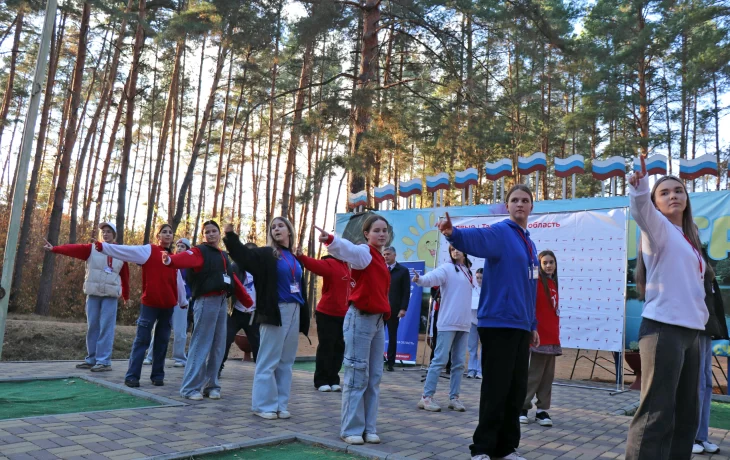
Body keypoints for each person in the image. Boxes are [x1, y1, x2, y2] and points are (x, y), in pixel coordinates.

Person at [440, 184, 539, 460]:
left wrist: (533, 324)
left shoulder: (529, 242)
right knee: (496, 388)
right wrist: (453, 233)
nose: (520, 204)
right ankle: (482, 448)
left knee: (516, 389)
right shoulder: (501, 232)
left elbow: (530, 289)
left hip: (521, 326)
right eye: (515, 200)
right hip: (498, 323)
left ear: (532, 206)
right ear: (507, 206)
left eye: (525, 200)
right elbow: (477, 239)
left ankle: (507, 448)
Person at [625, 156, 708, 460]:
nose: (673, 195)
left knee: (687, 415)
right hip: (663, 331)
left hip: (692, 333)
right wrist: (639, 187)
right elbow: (640, 209)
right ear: (656, 204)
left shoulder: (689, 239)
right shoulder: (657, 230)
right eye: (665, 192)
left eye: (679, 191)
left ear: (686, 199)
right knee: (656, 414)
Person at [314, 216, 391, 446]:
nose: (381, 234)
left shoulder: (381, 258)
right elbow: (348, 250)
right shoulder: (364, 253)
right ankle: (351, 429)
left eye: (384, 230)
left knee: (375, 376)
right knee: (357, 375)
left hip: (378, 322)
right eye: (376, 230)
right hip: (360, 319)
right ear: (366, 234)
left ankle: (369, 427)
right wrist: (330, 239)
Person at [223, 218, 310, 420]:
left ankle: (280, 404)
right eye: (273, 227)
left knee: (286, 361)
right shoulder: (266, 254)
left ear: (290, 230)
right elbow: (243, 256)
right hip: (274, 311)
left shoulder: (294, 258)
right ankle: (263, 405)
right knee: (268, 360)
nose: (276, 229)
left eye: (281, 225)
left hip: (295, 310)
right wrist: (230, 236)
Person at [163, 220, 253, 400]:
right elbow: (184, 258)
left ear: (219, 234)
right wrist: (170, 259)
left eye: (214, 231)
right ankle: (189, 388)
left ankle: (212, 386)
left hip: (221, 303)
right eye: (207, 232)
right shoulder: (199, 251)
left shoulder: (224, 256)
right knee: (200, 344)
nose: (211, 234)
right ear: (203, 235)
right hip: (205, 301)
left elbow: (232, 280)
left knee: (218, 346)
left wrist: (247, 301)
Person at [96, 224, 188, 388]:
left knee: (162, 342)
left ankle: (158, 376)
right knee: (142, 340)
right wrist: (103, 247)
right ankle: (132, 376)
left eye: (170, 232)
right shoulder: (149, 251)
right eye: (164, 232)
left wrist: (182, 301)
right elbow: (126, 251)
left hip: (168, 307)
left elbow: (178, 281)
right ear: (158, 235)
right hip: (150, 305)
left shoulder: (173, 258)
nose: (168, 235)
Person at [44, 222, 129, 372]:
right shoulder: (92, 249)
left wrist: (126, 296)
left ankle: (104, 361)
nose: (106, 234)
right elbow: (73, 249)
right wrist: (55, 249)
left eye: (109, 231)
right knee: (93, 327)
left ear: (114, 234)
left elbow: (125, 275)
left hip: (110, 296)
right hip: (93, 294)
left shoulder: (121, 252)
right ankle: (91, 359)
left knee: (106, 328)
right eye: (103, 232)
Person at [413, 245, 473, 413]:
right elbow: (433, 278)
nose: (455, 251)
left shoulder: (467, 270)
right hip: (448, 322)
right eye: (452, 249)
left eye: (458, 248)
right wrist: (420, 279)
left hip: (464, 323)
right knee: (439, 360)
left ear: (464, 250)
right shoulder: (447, 268)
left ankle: (454, 398)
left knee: (459, 363)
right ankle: (426, 397)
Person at [295, 249, 350, 392]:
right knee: (327, 346)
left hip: (343, 314)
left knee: (339, 347)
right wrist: (301, 256)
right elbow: (314, 265)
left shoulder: (348, 265)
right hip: (327, 313)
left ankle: (333, 379)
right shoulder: (330, 262)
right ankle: (321, 380)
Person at [520, 250, 561, 427]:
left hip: (552, 336)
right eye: (545, 262)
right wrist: (532, 329)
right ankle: (522, 408)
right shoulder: (535, 283)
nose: (549, 265)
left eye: (551, 262)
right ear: (539, 265)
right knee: (534, 375)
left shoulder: (553, 283)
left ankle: (542, 410)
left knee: (547, 376)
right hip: (538, 335)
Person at [693, 246, 727, 454]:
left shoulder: (701, 256)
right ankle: (690, 437)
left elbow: (712, 300)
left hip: (706, 328)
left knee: (705, 382)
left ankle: (701, 436)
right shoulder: (684, 253)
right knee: (695, 383)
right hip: (690, 327)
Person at [143, 238, 192, 368]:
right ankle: (151, 356)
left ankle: (180, 358)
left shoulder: (190, 265)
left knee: (180, 330)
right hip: (168, 298)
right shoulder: (169, 261)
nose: (180, 248)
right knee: (157, 328)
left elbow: (192, 283)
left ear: (188, 249)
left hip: (183, 300)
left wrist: (188, 297)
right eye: (178, 246)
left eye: (183, 246)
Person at [220, 246, 261, 377]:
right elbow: (229, 284)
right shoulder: (235, 267)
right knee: (226, 339)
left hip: (253, 314)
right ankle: (217, 369)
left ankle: (262, 373)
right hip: (236, 312)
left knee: (258, 343)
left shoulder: (261, 270)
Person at [383, 246, 411, 372]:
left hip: (394, 309)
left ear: (395, 255)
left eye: (388, 254)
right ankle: (377, 360)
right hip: (379, 308)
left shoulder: (403, 271)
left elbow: (406, 291)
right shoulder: (381, 268)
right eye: (384, 254)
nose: (386, 256)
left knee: (392, 336)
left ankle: (390, 363)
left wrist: (403, 308)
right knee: (375, 336)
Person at [466, 268, 483, 379]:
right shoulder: (472, 290)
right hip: (472, 321)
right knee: (472, 347)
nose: (479, 280)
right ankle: (471, 369)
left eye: (481, 278)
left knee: (483, 347)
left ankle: (480, 370)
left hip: (483, 322)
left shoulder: (489, 291)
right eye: (477, 278)